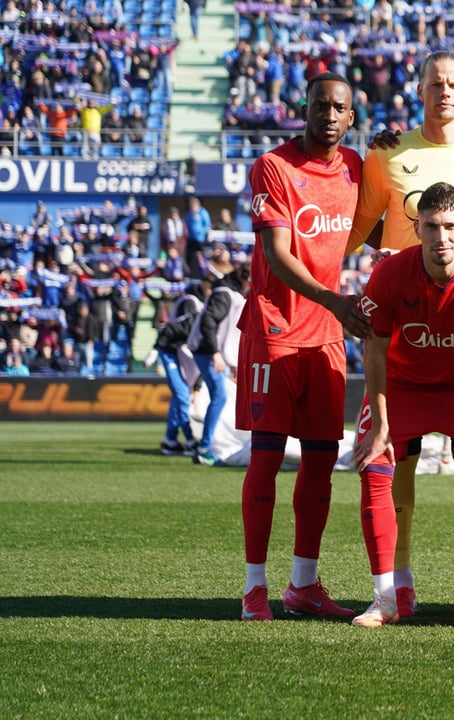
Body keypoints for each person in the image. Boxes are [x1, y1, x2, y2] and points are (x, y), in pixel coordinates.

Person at [348, 51, 454, 618]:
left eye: (453, 83)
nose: (444, 90)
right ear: (419, 89)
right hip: (405, 328)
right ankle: (397, 585)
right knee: (393, 467)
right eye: (434, 82)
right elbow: (356, 229)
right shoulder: (387, 153)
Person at [237, 72, 371, 622]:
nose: (329, 116)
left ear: (351, 117)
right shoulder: (273, 166)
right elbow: (276, 253)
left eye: (339, 108)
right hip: (275, 329)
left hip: (326, 337)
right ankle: (254, 588)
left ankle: (303, 585)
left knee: (320, 461)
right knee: (267, 458)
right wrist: (335, 300)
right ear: (305, 109)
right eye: (321, 105)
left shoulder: (357, 166)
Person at [188, 264, 247, 466]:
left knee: (219, 397)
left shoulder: (228, 293)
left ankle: (205, 445)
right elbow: (209, 322)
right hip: (207, 350)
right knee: (219, 397)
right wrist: (216, 353)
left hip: (209, 350)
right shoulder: (225, 295)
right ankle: (204, 448)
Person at [145, 287, 204, 455]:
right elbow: (170, 329)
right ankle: (190, 441)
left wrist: (197, 386)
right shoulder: (194, 311)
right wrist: (154, 351)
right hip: (169, 352)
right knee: (182, 396)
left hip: (179, 354)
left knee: (178, 399)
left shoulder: (202, 313)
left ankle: (170, 440)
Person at [183, 197, 212, 279]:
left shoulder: (203, 212)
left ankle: (202, 274)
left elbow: (207, 224)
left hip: (201, 240)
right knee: (190, 257)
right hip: (190, 239)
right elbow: (186, 224)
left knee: (201, 257)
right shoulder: (189, 213)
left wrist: (202, 233)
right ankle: (191, 274)